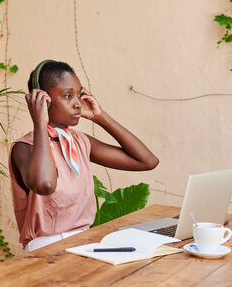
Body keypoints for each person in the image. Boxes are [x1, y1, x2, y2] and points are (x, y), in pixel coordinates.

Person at [9, 60, 159, 252]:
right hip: (46, 250)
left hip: (85, 243)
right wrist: (39, 121)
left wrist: (100, 116)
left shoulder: (79, 142)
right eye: (67, 95)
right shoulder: (24, 147)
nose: (78, 103)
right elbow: (45, 185)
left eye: (79, 95)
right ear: (43, 101)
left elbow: (147, 161)